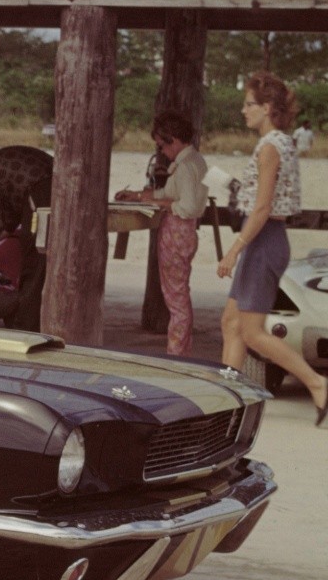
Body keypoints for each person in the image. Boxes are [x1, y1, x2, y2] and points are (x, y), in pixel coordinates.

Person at [219, 73, 327, 421]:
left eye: (248, 104)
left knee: (250, 330)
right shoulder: (281, 143)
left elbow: (263, 207)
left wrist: (234, 249)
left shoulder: (270, 147)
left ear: (266, 108)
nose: (242, 110)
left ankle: (315, 382)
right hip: (266, 239)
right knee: (231, 323)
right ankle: (227, 399)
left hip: (263, 240)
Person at [116, 110, 209, 356]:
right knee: (178, 295)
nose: (162, 152)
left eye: (162, 146)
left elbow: (187, 206)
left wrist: (161, 205)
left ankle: (177, 354)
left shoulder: (187, 166)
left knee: (176, 300)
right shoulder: (193, 161)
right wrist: (139, 195)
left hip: (177, 231)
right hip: (183, 232)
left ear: (174, 140)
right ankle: (180, 351)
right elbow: (172, 193)